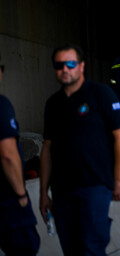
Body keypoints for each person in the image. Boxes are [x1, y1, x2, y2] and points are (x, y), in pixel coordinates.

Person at [40, 44, 120, 256]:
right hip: (61, 192)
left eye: (70, 64)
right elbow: (47, 149)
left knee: (91, 249)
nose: (65, 69)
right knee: (71, 250)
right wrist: (44, 193)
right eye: (59, 65)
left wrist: (118, 180)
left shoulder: (101, 94)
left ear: (81, 66)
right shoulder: (52, 104)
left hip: (95, 186)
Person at [0, 62, 40, 256]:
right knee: (25, 247)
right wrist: (20, 194)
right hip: (8, 201)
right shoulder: (2, 105)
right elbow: (7, 154)